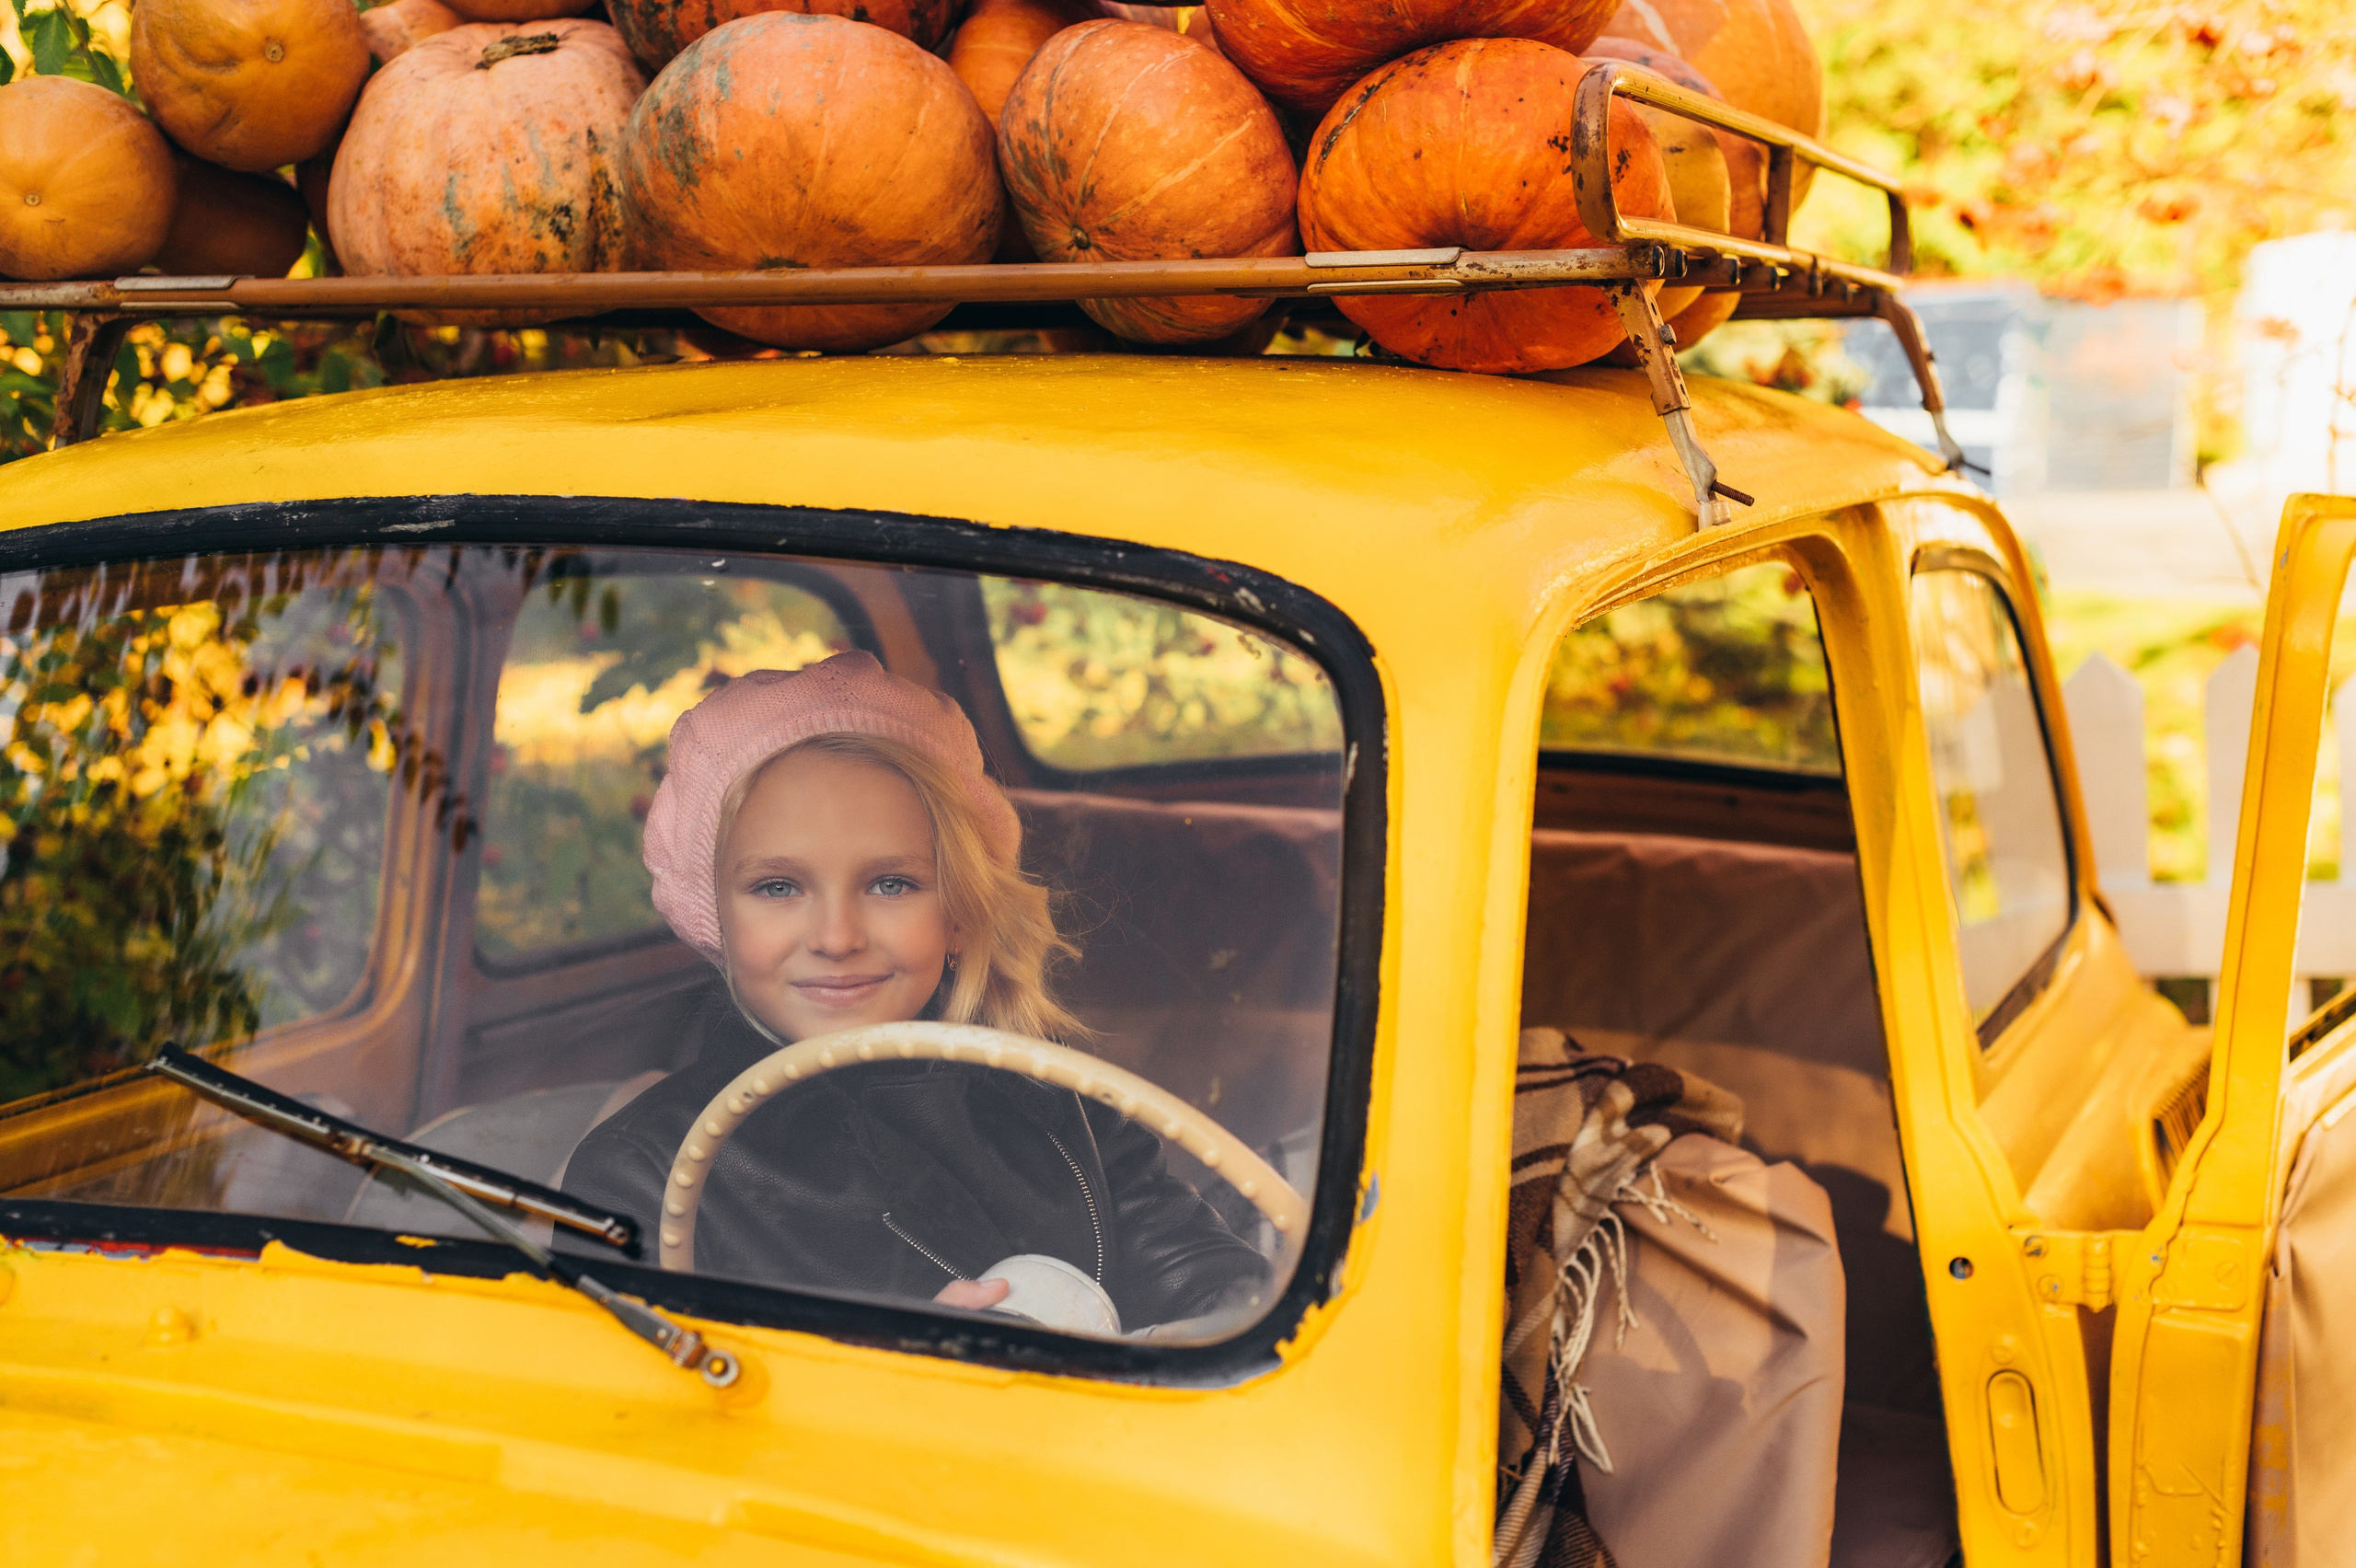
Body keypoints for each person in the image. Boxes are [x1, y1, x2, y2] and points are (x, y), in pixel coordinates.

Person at [563, 651, 1268, 1333]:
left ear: (958, 912)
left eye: (890, 884)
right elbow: (642, 1418)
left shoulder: (1048, 1087)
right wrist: (889, 1367)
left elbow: (1199, 1270)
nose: (836, 937)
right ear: (716, 915)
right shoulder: (647, 1174)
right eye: (778, 887)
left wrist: (1211, 1321)